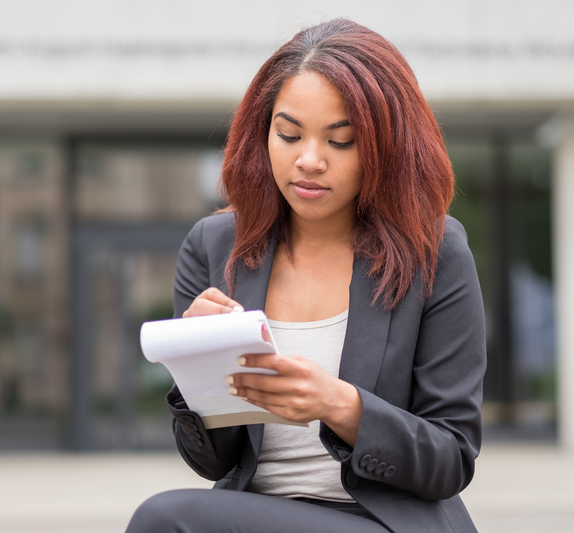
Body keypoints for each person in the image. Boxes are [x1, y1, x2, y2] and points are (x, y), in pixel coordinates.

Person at [126, 18, 486, 533]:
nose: (309, 160)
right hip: (254, 512)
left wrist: (338, 404)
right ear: (264, 133)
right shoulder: (214, 247)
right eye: (289, 134)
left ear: (385, 148)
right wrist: (198, 372)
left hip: (381, 519)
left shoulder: (435, 250)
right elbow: (213, 463)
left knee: (164, 519)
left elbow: (452, 456)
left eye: (341, 142)